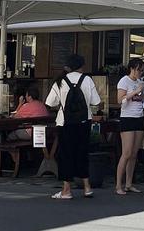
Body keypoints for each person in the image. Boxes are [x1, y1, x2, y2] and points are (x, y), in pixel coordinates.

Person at [45, 54, 101, 200]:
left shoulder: (60, 81)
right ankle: (87, 187)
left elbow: (50, 102)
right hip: (84, 122)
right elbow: (96, 102)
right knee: (82, 153)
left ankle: (66, 190)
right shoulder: (87, 80)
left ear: (68, 66)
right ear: (81, 66)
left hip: (65, 123)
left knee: (65, 155)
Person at [115, 58, 144, 195]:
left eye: (142, 70)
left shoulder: (139, 82)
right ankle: (119, 184)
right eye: (138, 70)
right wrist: (136, 91)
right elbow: (120, 99)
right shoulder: (124, 80)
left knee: (134, 153)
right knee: (127, 152)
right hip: (127, 118)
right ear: (132, 69)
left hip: (139, 117)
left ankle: (129, 183)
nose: (140, 73)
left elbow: (140, 100)